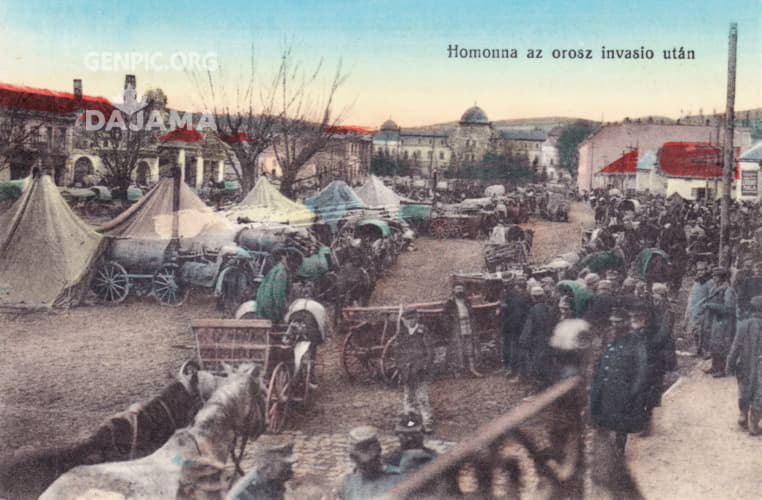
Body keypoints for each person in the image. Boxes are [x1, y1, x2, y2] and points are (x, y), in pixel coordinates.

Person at [590, 298, 650, 455]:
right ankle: (602, 448)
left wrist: (634, 390)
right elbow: (599, 357)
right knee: (601, 418)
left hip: (622, 389)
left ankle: (619, 449)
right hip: (604, 385)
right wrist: (595, 379)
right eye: (613, 322)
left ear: (626, 323)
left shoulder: (636, 341)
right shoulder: (608, 335)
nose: (615, 325)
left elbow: (641, 369)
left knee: (621, 422)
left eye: (619, 322)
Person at [394, 308, 435, 432]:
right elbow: (398, 352)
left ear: (416, 319)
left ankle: (427, 422)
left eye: (412, 319)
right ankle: (411, 421)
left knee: (422, 397)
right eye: (407, 319)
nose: (410, 322)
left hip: (419, 370)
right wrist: (400, 366)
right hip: (407, 370)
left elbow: (430, 351)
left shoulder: (422, 331)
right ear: (404, 321)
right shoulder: (402, 333)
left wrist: (425, 366)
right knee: (408, 397)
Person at [726, 295, 762, 434]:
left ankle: (743, 414)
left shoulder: (743, 325)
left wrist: (730, 364)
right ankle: (754, 422)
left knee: (744, 389)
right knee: (759, 393)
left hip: (745, 364)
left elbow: (735, 348)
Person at [338, 426, 399, 500]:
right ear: (353, 458)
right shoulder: (346, 483)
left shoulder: (396, 478)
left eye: (372, 460)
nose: (368, 466)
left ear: (379, 453)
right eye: (362, 463)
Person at [226, 443, 296, 500]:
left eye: (289, 465)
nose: (290, 470)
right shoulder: (243, 493)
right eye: (284, 466)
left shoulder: (274, 482)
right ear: (266, 467)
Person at [518, 286, 558, 386]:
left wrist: (523, 341)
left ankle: (539, 385)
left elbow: (528, 329)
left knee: (537, 363)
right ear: (543, 296)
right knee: (548, 362)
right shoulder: (550, 308)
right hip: (549, 340)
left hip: (537, 341)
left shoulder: (533, 311)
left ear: (533, 297)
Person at [703, 267, 737, 377]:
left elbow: (729, 308)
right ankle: (715, 366)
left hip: (724, 322)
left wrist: (711, 305)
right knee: (714, 344)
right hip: (716, 320)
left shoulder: (728, 290)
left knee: (722, 345)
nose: (713, 278)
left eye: (716, 276)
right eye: (713, 276)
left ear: (722, 278)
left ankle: (721, 369)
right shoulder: (715, 289)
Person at [445, 284, 482, 377]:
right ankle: (457, 370)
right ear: (453, 290)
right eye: (457, 289)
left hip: (468, 327)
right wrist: (449, 327)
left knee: (470, 348)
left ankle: (472, 368)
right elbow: (445, 317)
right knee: (457, 349)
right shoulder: (450, 303)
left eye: (461, 289)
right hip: (456, 329)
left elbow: (472, 314)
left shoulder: (467, 301)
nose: (459, 291)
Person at [500, 276, 532, 377]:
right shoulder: (512, 294)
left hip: (520, 324)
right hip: (514, 324)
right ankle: (513, 369)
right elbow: (506, 309)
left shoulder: (527, 295)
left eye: (523, 280)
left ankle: (518, 370)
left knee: (518, 347)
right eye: (520, 280)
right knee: (514, 347)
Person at [255, 250, 295, 324]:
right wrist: (283, 310)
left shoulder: (275, 269)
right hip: (270, 309)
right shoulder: (281, 272)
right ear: (283, 258)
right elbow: (278, 293)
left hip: (262, 305)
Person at [683, 261, 713, 357]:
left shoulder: (710, 282)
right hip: (694, 308)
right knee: (695, 330)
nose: (700, 272)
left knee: (704, 330)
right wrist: (688, 310)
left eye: (702, 270)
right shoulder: (696, 282)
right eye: (698, 270)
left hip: (704, 309)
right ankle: (697, 349)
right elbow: (691, 295)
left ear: (706, 270)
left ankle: (706, 350)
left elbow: (711, 295)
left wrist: (706, 306)